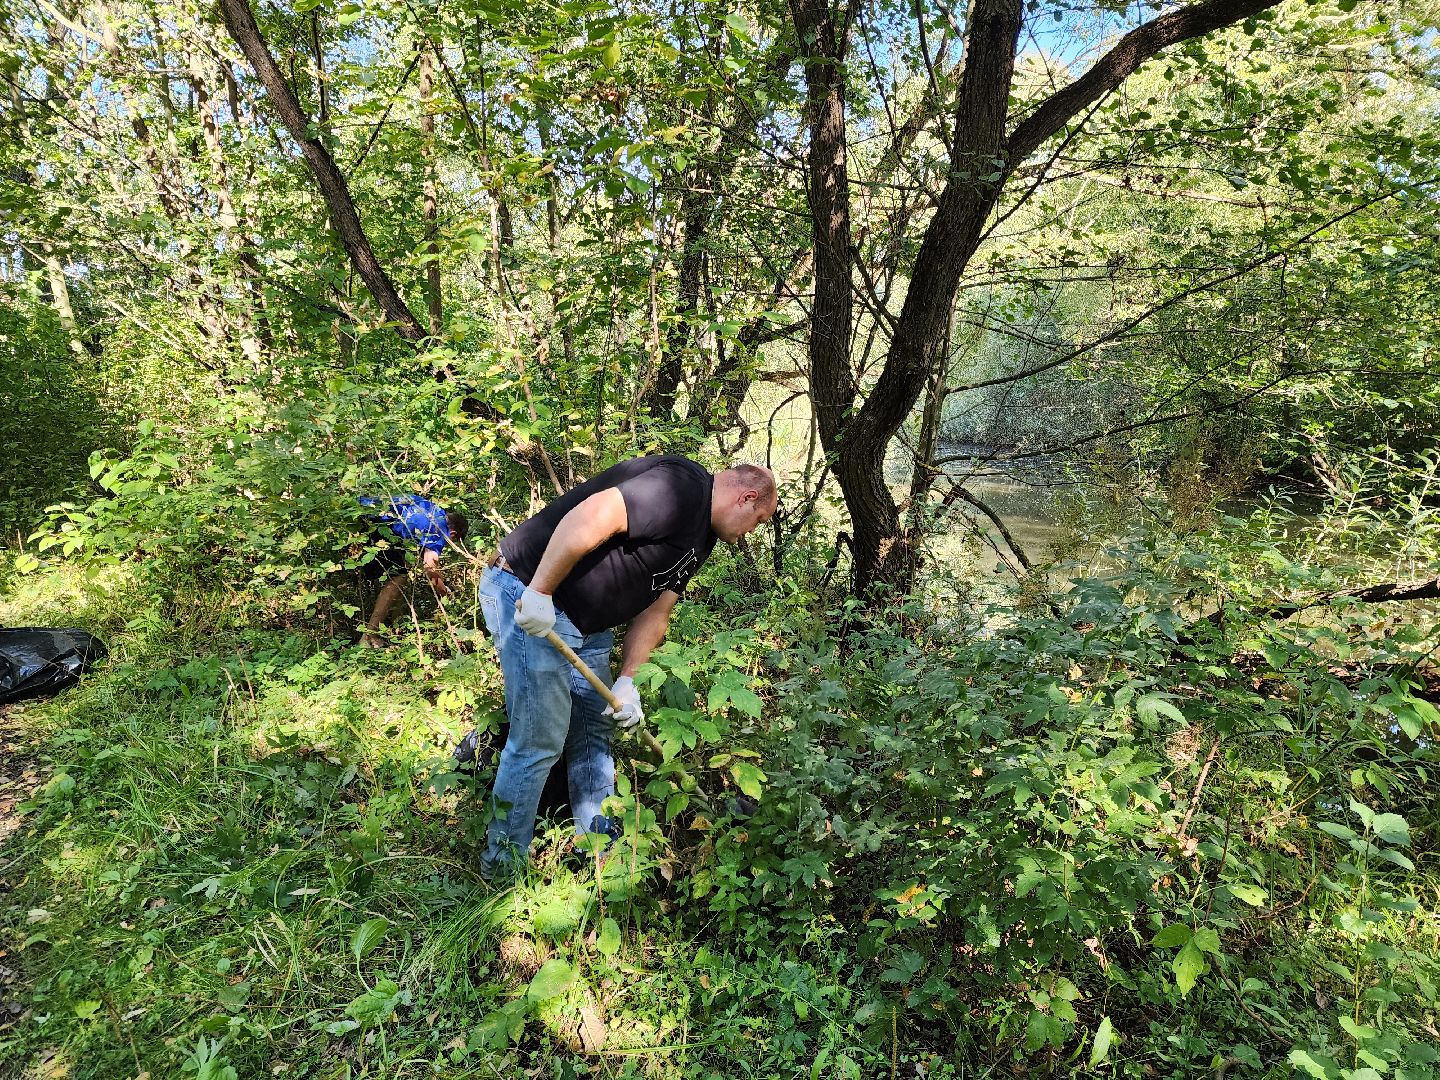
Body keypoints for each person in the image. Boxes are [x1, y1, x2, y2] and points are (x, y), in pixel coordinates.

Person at [470, 456, 777, 883]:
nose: (752, 532)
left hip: (585, 625)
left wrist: (628, 680)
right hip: (527, 594)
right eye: (758, 519)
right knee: (540, 740)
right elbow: (594, 515)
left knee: (595, 731)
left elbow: (657, 611)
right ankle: (501, 872)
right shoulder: (682, 488)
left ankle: (601, 852)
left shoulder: (703, 536)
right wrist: (539, 591)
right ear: (746, 497)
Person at [358, 494, 469, 648]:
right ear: (454, 534)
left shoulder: (431, 508)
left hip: (364, 509)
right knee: (398, 579)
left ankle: (396, 631)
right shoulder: (440, 529)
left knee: (399, 572)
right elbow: (430, 567)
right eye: (452, 541)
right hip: (376, 525)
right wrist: (444, 592)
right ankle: (368, 636)